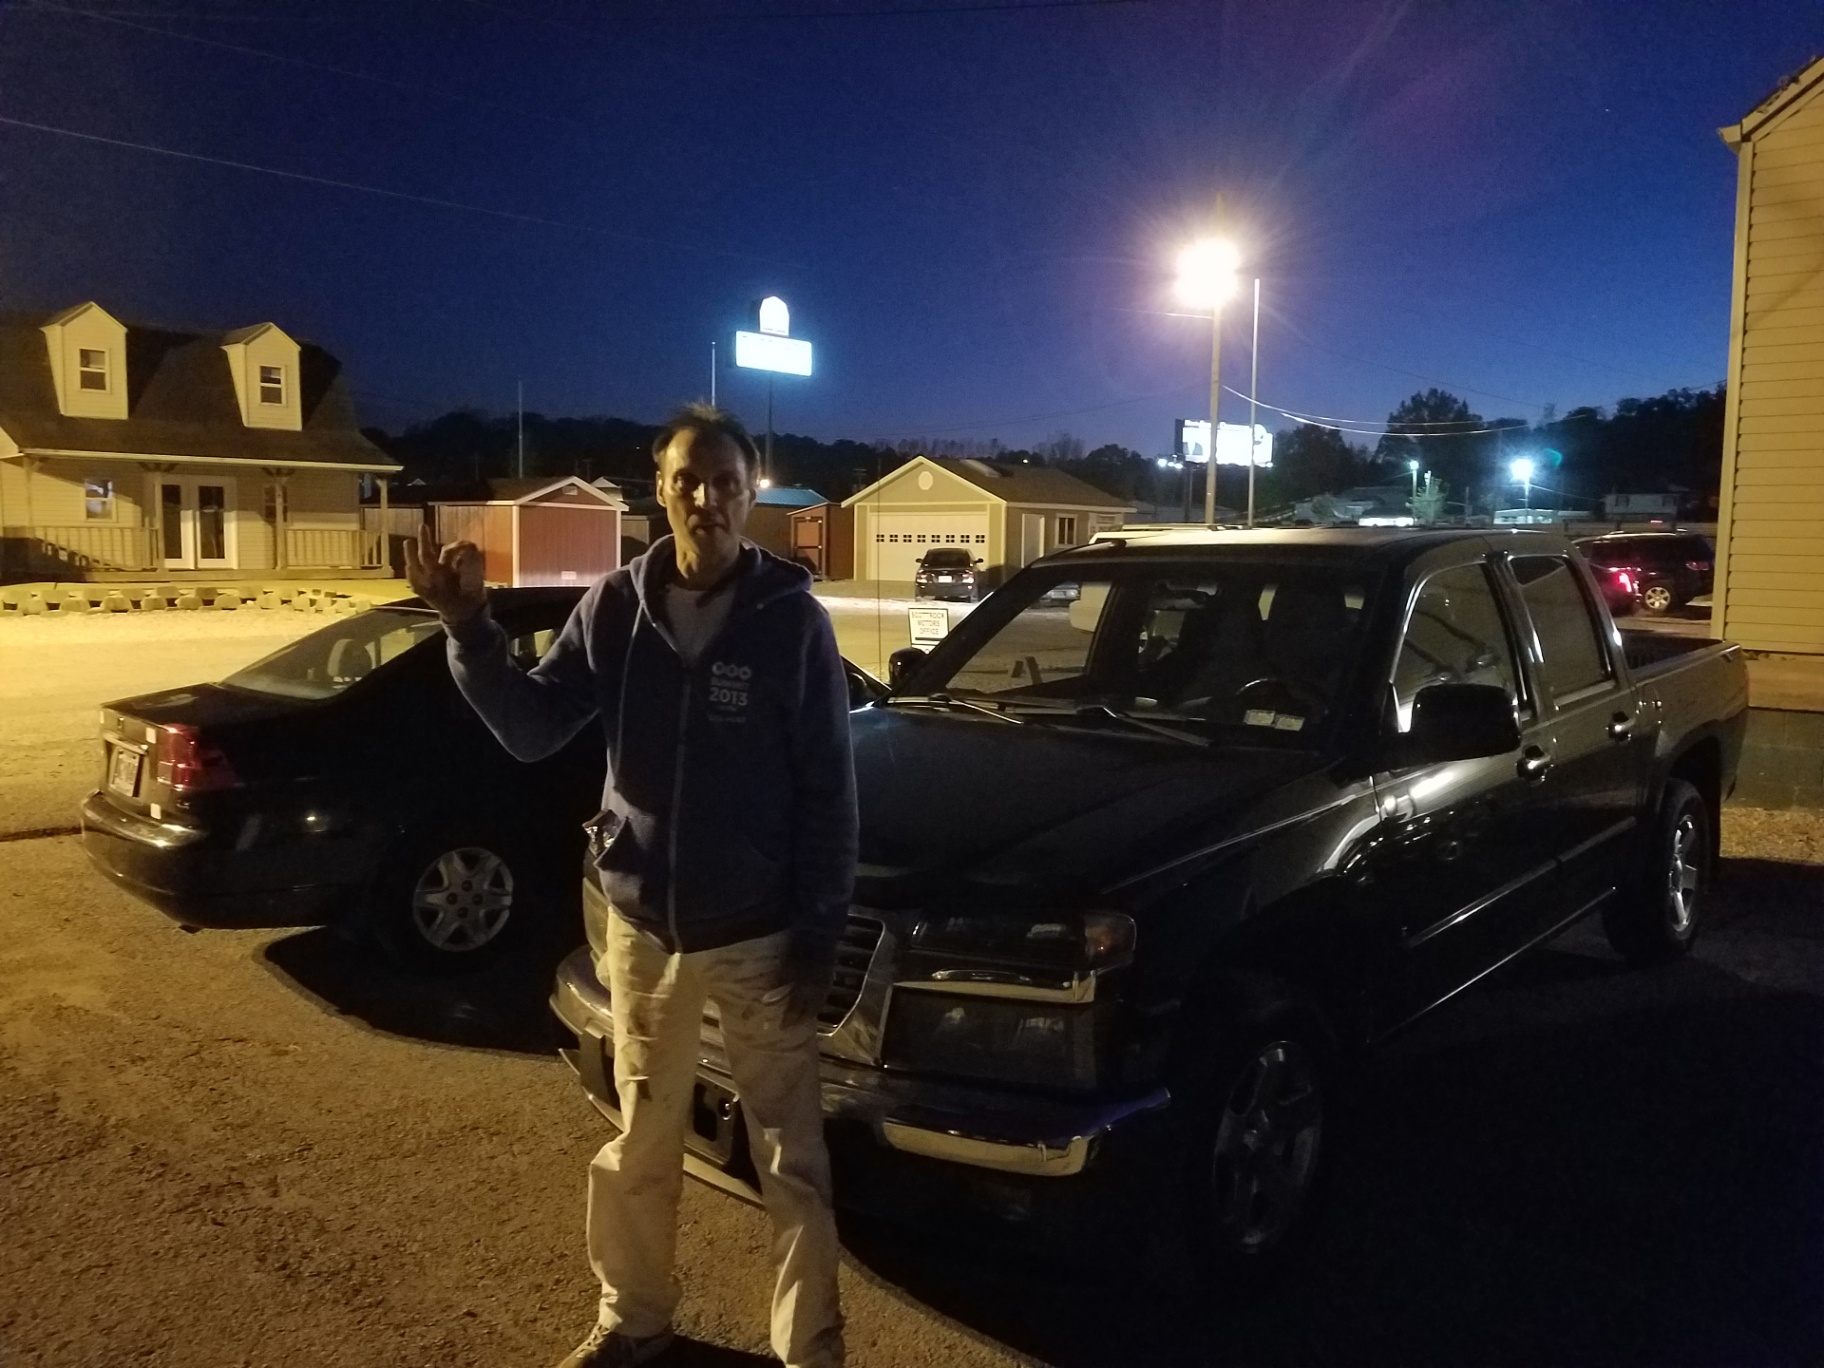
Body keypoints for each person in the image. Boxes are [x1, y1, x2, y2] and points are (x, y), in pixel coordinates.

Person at [403, 404, 856, 1368]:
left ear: (750, 492)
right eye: (688, 479)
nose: (706, 498)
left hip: (761, 934)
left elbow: (829, 789)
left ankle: (810, 1348)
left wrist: (819, 932)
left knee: (791, 1159)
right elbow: (534, 728)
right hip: (643, 928)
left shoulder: (792, 624)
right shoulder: (615, 606)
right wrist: (469, 628)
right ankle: (634, 1318)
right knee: (643, 1138)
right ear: (660, 489)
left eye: (725, 481)